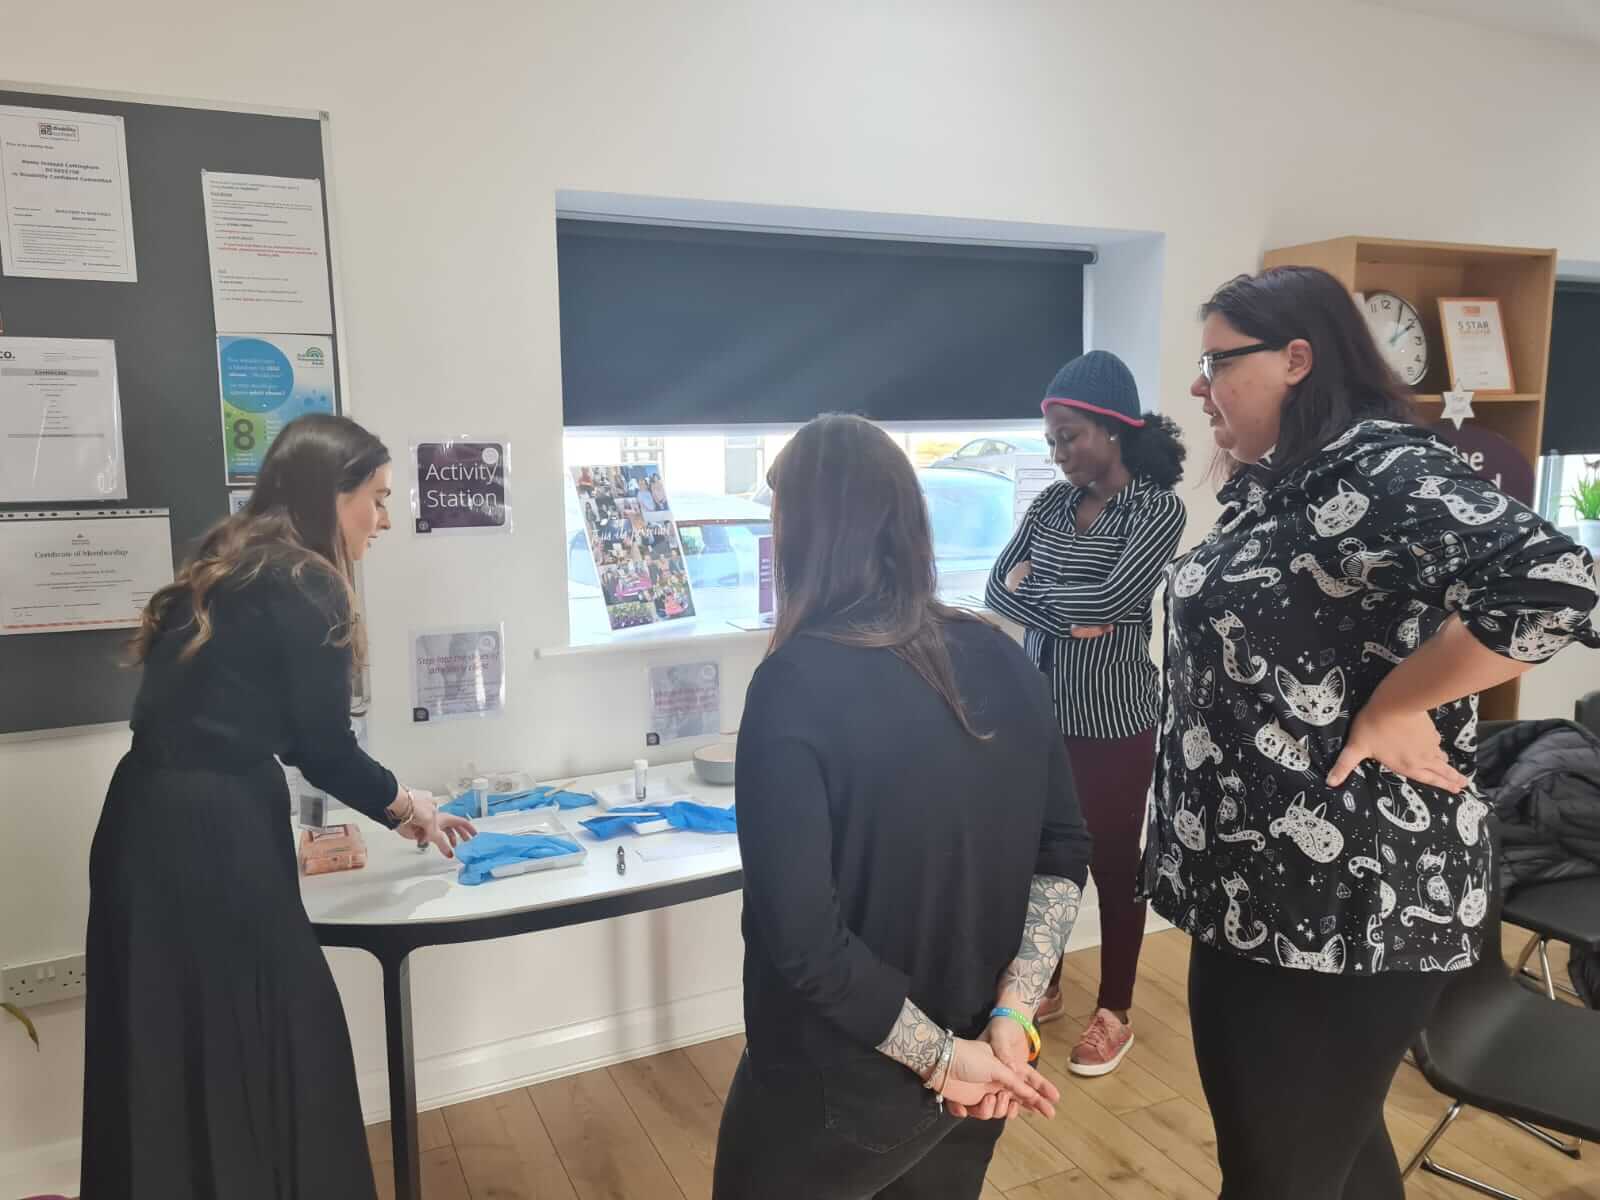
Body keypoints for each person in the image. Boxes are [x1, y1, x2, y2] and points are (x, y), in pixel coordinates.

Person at [1145, 266, 1600, 1200]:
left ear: (1298, 359)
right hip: (1260, 888)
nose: (1198, 386)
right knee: (1332, 1161)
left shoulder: (1381, 466)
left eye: (1215, 361)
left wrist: (1398, 704)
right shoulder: (1289, 483)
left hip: (1342, 905)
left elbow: (1557, 584)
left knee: (1278, 1178)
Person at [81, 414, 477, 1200]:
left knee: (165, 1034)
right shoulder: (306, 580)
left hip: (142, 817)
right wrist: (410, 806)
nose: (385, 521)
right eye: (375, 498)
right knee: (274, 1033)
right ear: (331, 494)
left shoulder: (226, 561)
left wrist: (401, 804)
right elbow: (320, 747)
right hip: (212, 831)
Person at [714, 414, 1093, 1200]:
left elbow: (803, 940)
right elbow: (1062, 855)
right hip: (979, 1067)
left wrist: (954, 1058)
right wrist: (1011, 1021)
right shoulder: (999, 652)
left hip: (840, 1088)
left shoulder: (792, 684)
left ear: (799, 535)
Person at [985, 350, 1187, 1077]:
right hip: (1042, 712)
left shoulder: (1158, 508)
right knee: (1040, 856)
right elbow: (994, 589)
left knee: (1110, 862)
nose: (1060, 452)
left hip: (1114, 719)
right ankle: (1046, 981)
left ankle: (1117, 1009)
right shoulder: (1049, 504)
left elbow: (1114, 603)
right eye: (1051, 441)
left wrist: (1046, 596)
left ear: (1114, 428)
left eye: (1070, 436)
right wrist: (1069, 614)